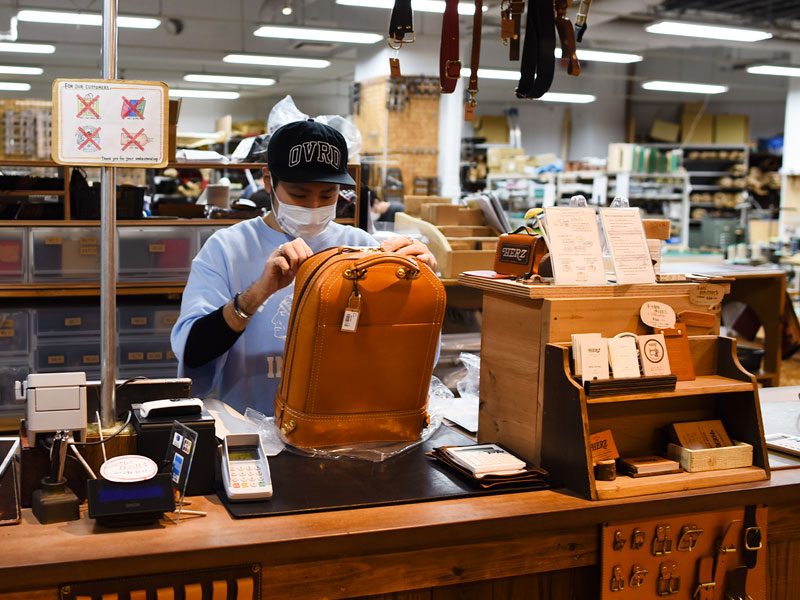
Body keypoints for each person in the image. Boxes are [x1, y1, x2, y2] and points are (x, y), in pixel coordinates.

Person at [171, 119, 436, 416]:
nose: (313, 207)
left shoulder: (360, 247)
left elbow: (404, 349)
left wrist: (420, 290)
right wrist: (257, 293)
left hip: (341, 421)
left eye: (327, 195)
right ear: (268, 181)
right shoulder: (227, 249)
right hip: (251, 425)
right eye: (299, 194)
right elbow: (193, 352)